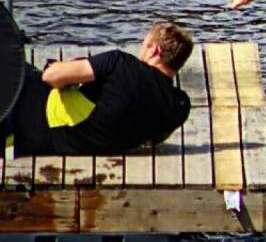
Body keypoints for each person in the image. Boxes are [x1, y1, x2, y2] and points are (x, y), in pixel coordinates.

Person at [8, 21, 193, 157]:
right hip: (57, 145)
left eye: (144, 45)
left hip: (41, 120)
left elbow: (50, 77)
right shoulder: (179, 106)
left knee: (15, 66)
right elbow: (154, 139)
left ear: (154, 51)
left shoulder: (120, 63)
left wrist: (66, 68)